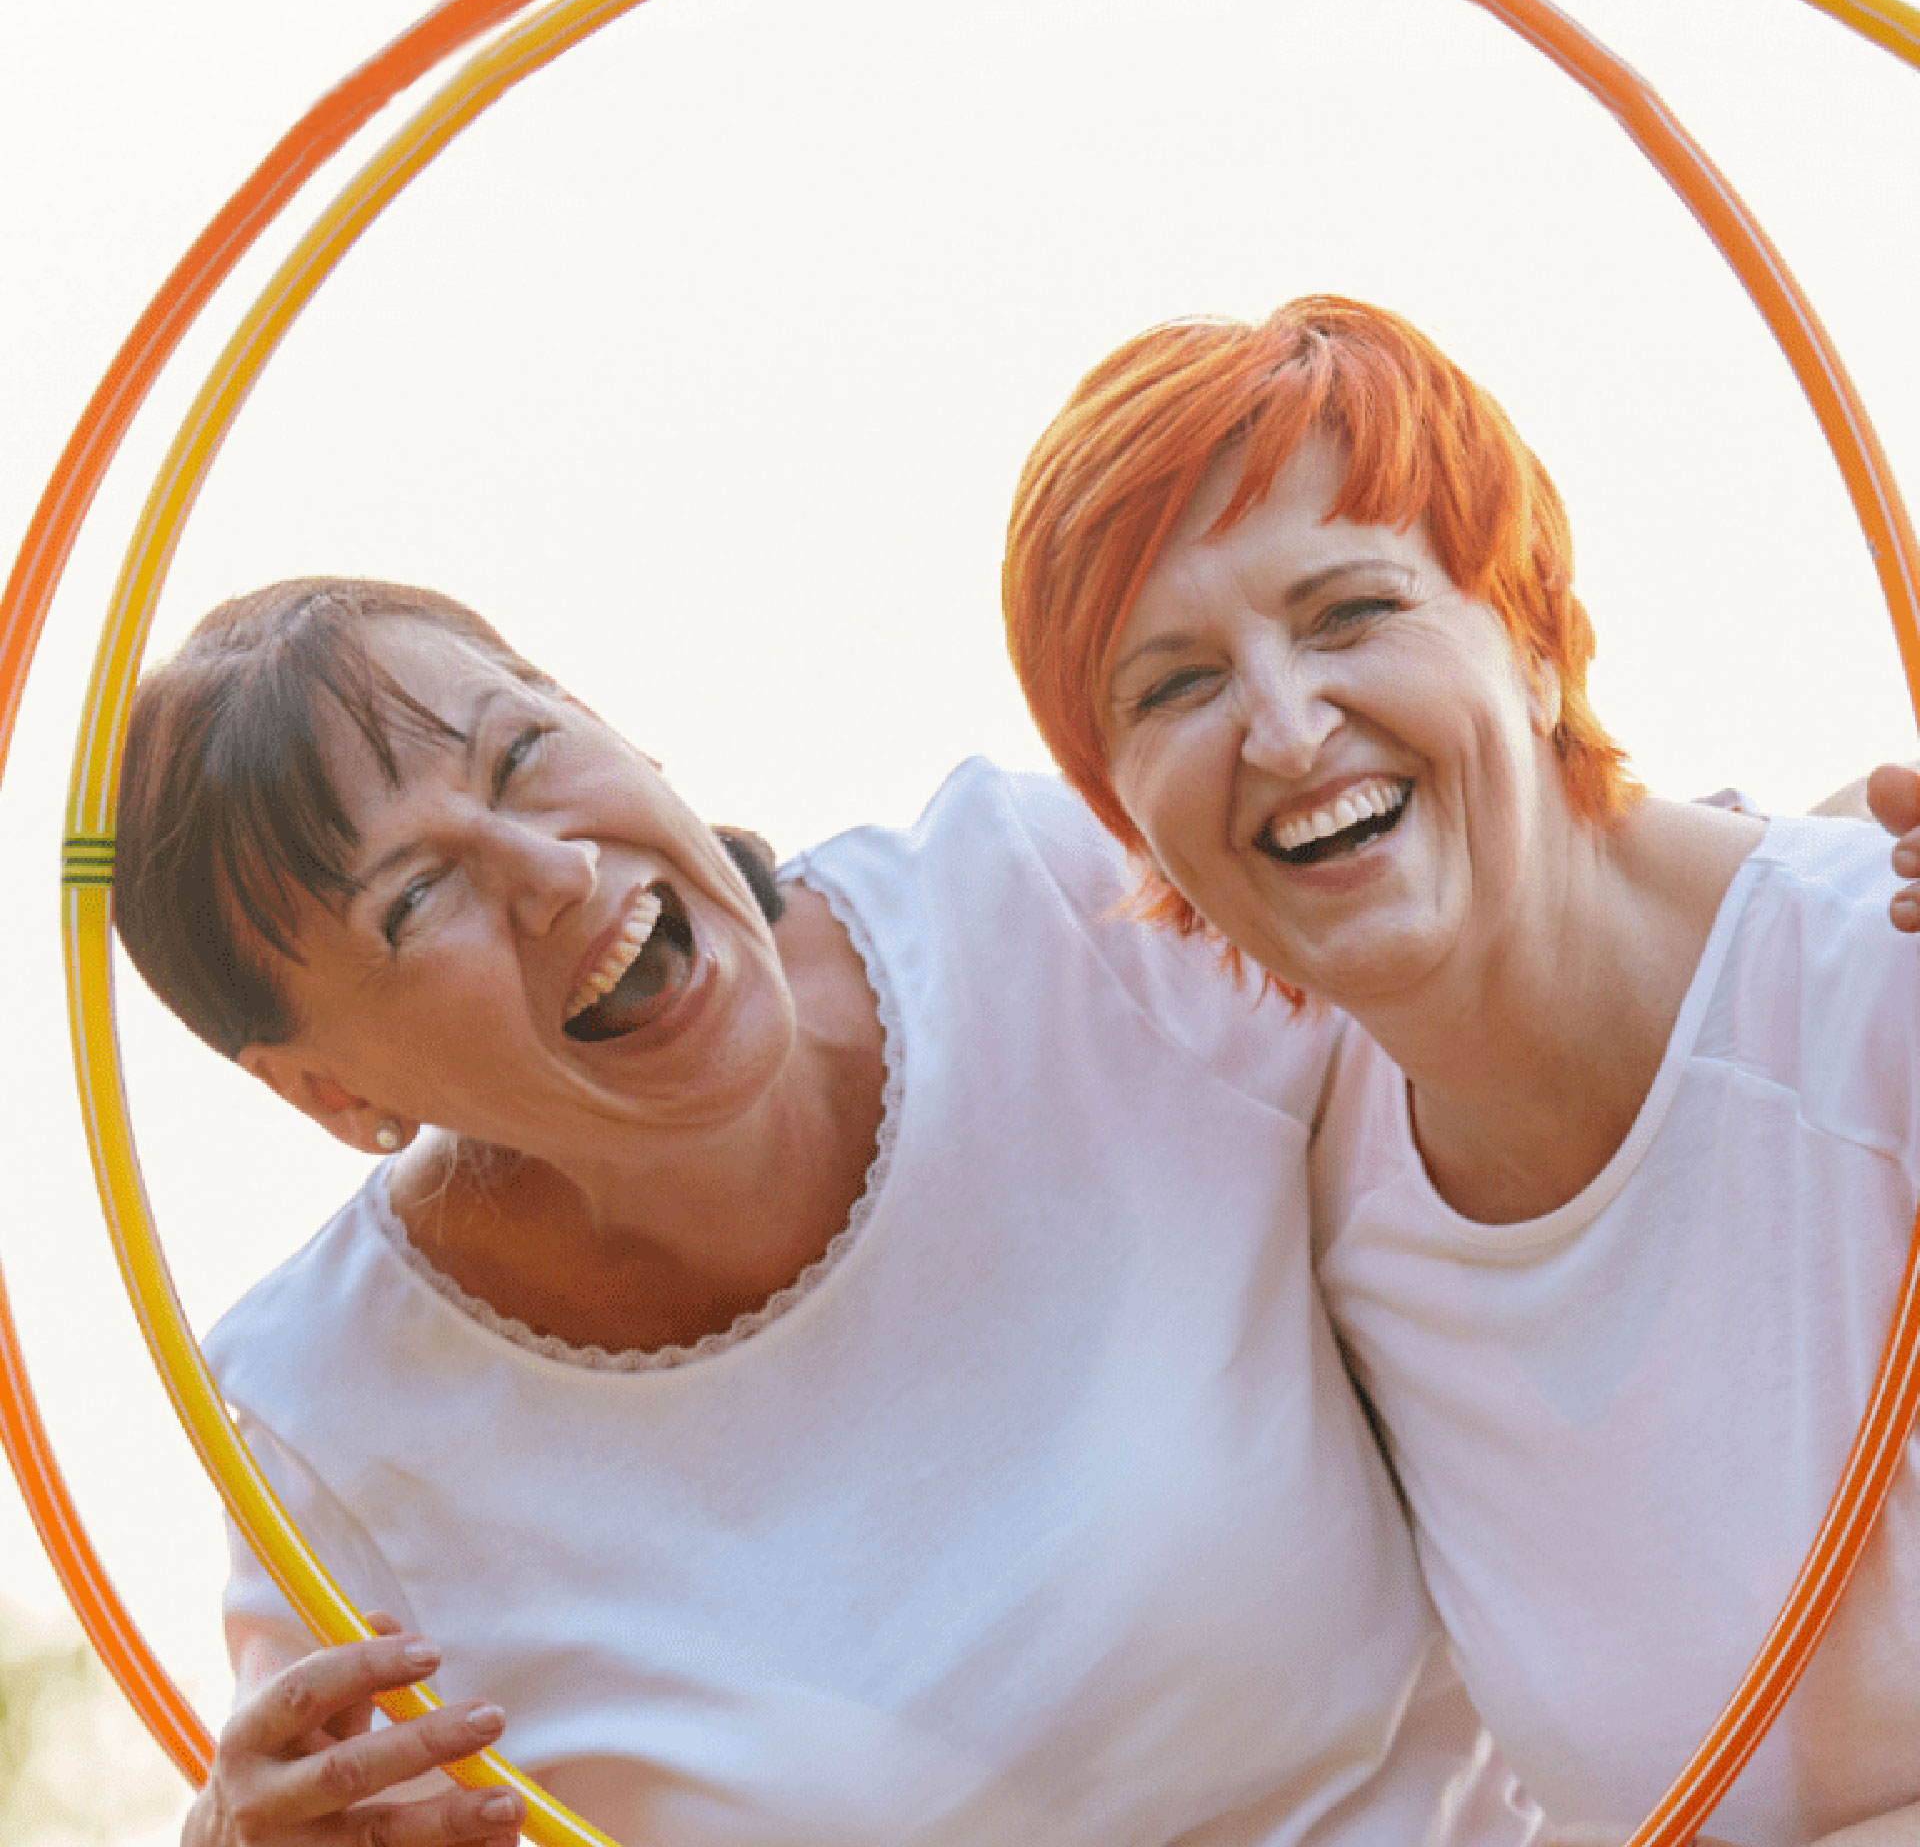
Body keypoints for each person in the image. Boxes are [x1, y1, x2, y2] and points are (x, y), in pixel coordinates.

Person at [116, 579, 1536, 1847]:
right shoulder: (331, 1426)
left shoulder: (1048, 911)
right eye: (418, 897)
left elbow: (1540, 1121)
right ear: (325, 1089)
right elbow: (329, 1814)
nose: (550, 873)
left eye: (526, 754)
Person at [1002, 294, 1920, 1846]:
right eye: (1174, 686)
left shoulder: (1879, 991)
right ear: (1126, 812)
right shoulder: (1301, 1212)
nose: (1287, 730)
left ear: (1541, 641)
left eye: (1350, 613)